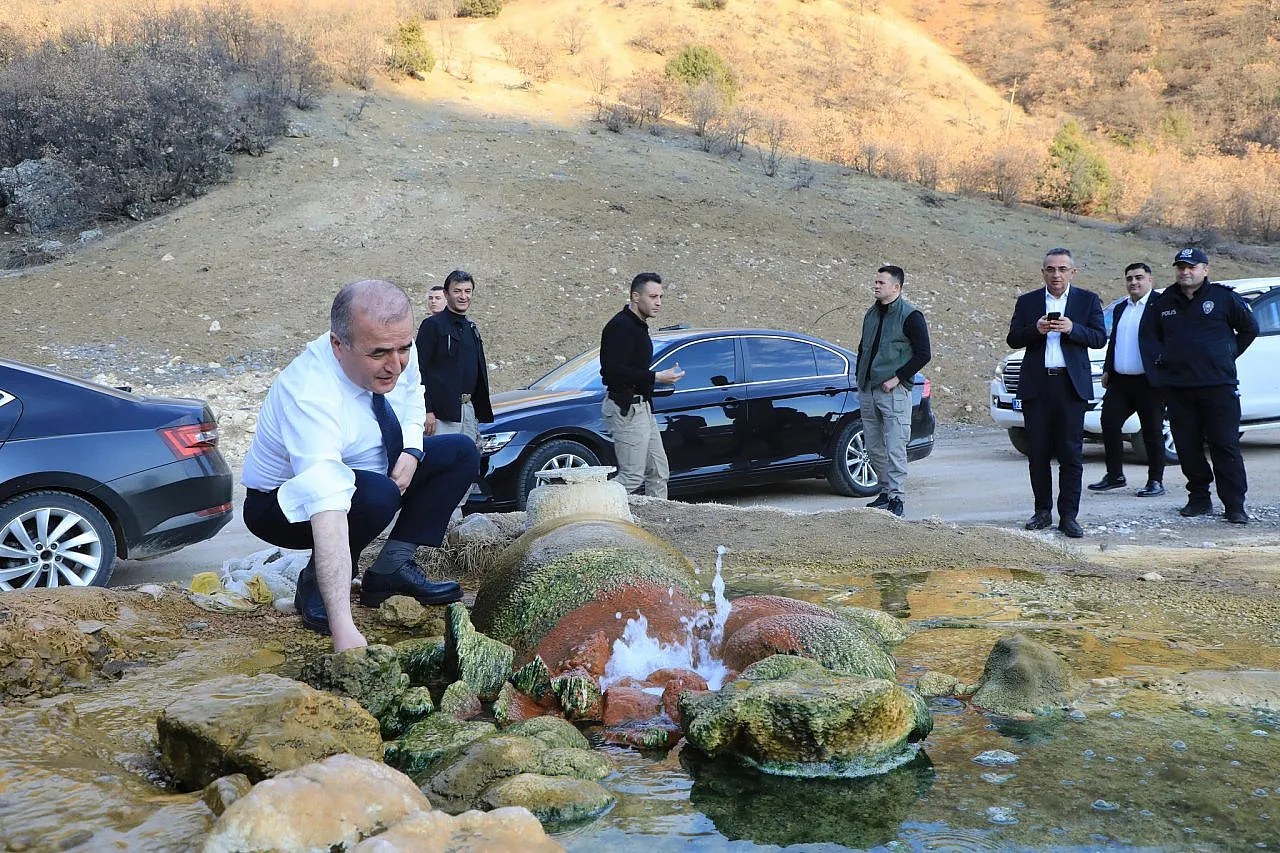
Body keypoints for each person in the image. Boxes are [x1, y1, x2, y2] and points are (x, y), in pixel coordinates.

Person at [242, 279, 480, 651]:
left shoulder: (395, 347)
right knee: (376, 493)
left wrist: (413, 452)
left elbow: (411, 396)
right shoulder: (309, 393)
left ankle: (391, 569)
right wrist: (344, 630)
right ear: (339, 345)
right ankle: (316, 584)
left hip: (372, 469)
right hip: (279, 505)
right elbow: (327, 501)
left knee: (460, 452)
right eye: (380, 354)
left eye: (404, 348)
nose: (395, 364)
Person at [1152, 247, 1258, 523]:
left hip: (1218, 386)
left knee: (1225, 445)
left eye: (1192, 267)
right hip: (1179, 388)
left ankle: (1234, 505)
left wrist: (1227, 354)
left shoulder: (1224, 298)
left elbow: (1250, 329)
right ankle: (1199, 498)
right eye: (1180, 267)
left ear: (1205, 270)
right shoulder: (1164, 302)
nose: (1185, 272)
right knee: (1187, 448)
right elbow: (1154, 338)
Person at [1007, 248, 1107, 538]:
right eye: (1050, 269)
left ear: (1072, 273)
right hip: (1037, 386)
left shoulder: (1087, 300)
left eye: (1062, 269)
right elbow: (1013, 338)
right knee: (1037, 452)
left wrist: (1073, 328)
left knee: (1071, 454)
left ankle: (1069, 516)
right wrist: (1035, 329)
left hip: (1070, 385)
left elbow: (1099, 338)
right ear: (1043, 272)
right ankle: (1042, 512)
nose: (1056, 274)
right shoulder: (1028, 302)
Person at [600, 272, 684, 498]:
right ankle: (590, 512)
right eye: (653, 296)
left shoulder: (638, 326)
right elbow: (612, 372)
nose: (658, 302)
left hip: (643, 407)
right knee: (631, 477)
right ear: (636, 297)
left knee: (658, 472)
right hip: (625, 407)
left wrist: (654, 380)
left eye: (661, 297)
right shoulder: (621, 326)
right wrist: (656, 377)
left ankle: (656, 525)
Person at [856, 264, 931, 517]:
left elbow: (923, 354)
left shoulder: (911, 316)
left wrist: (897, 378)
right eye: (875, 282)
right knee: (873, 446)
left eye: (881, 283)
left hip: (894, 392)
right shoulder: (871, 314)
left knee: (895, 446)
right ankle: (886, 491)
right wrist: (860, 379)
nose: (876, 286)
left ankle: (897, 498)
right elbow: (863, 348)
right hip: (868, 390)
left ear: (896, 287)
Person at [1088, 262, 1167, 497]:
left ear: (1150, 280)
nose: (1134, 282)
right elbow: (1114, 342)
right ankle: (1114, 475)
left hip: (1149, 382)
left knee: (1152, 431)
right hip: (1121, 382)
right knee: (1109, 422)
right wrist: (1108, 368)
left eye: (1139, 278)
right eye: (1129, 278)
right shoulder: (1122, 308)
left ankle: (1155, 481)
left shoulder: (1160, 306)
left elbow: (1170, 341)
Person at [416, 270, 493, 446]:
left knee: (467, 465)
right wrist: (427, 411)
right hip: (440, 415)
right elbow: (419, 370)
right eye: (457, 291)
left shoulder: (471, 327)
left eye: (468, 291)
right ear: (446, 294)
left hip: (467, 411)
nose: (463, 296)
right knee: (441, 467)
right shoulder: (432, 326)